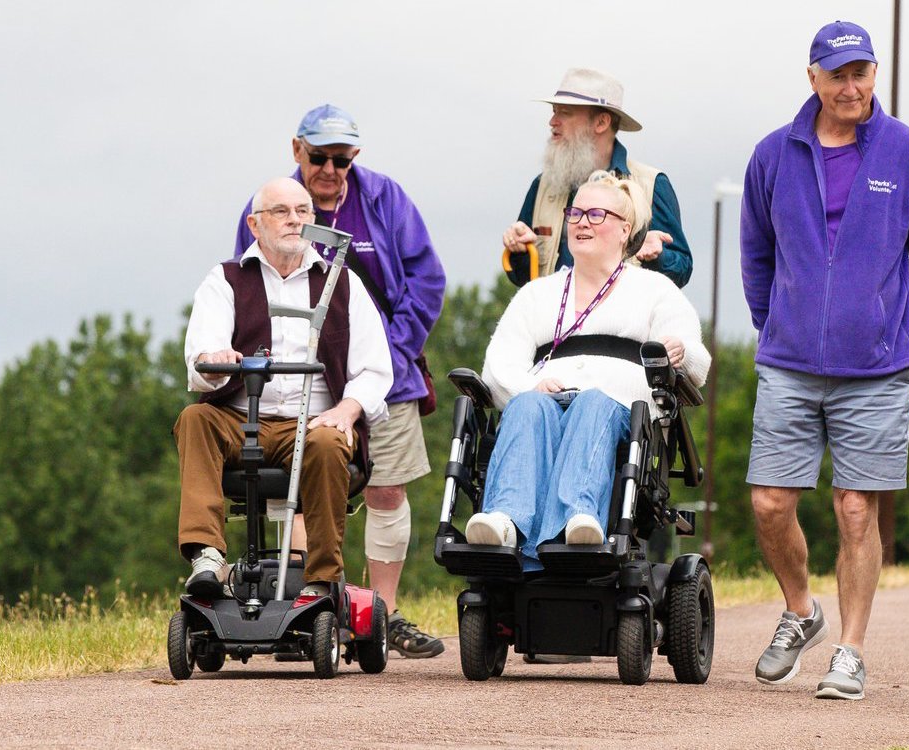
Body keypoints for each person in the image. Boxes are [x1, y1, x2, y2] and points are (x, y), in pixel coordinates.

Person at [739, 19, 909, 701]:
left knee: (857, 509)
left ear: (873, 75)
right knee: (770, 503)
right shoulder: (772, 156)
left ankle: (850, 652)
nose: (850, 86)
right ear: (813, 79)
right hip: (789, 363)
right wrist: (778, 326)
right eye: (837, 74)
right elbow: (755, 256)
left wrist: (894, 331)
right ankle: (802, 612)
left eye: (861, 72)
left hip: (878, 370)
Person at [232, 104, 449, 658]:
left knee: (386, 487)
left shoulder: (385, 200)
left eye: (342, 159)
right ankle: (304, 610)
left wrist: (396, 356)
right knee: (298, 490)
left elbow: (427, 280)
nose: (330, 170)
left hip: (385, 370)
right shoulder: (269, 204)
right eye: (319, 157)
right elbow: (250, 289)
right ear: (296, 150)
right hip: (301, 375)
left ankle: (384, 613)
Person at [463, 172, 710, 565]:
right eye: (575, 213)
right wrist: (530, 385)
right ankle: (504, 519)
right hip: (548, 401)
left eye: (596, 214)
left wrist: (681, 352)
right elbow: (499, 364)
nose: (581, 222)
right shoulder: (537, 294)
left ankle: (579, 519)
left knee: (593, 403)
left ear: (624, 229)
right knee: (527, 405)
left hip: (621, 413)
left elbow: (696, 362)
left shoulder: (655, 290)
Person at [178, 177, 391, 600]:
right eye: (281, 212)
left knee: (330, 442)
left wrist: (348, 410)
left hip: (315, 423)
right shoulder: (226, 280)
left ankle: (322, 579)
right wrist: (217, 361)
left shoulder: (342, 283)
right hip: (241, 420)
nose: (294, 220)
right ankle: (207, 556)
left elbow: (375, 371)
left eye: (303, 211)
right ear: (255, 225)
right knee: (195, 418)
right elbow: (199, 360)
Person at [499, 68, 691, 288]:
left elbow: (682, 271)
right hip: (552, 322)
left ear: (601, 123)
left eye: (565, 112)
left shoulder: (651, 184)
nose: (552, 121)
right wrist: (519, 251)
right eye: (554, 111)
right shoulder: (542, 186)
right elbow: (524, 280)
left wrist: (656, 257)